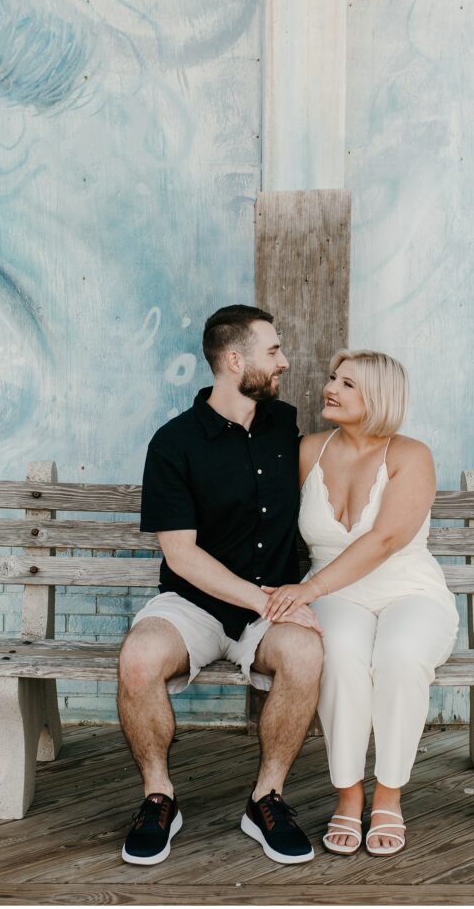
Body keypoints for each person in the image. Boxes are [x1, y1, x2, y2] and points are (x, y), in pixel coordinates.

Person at [117, 304, 324, 866]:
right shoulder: (174, 443)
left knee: (306, 652)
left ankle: (266, 799)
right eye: (273, 350)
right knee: (138, 659)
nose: (284, 361)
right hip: (196, 606)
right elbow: (180, 556)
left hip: (269, 608)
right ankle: (158, 798)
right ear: (235, 361)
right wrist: (265, 600)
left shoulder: (284, 426)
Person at [262, 349, 460, 857]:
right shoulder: (309, 450)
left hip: (408, 590)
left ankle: (389, 795)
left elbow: (386, 540)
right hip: (339, 595)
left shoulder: (411, 454)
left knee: (397, 656)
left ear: (379, 397)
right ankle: (349, 795)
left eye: (347, 384)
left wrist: (307, 590)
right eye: (333, 379)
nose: (330, 388)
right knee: (342, 655)